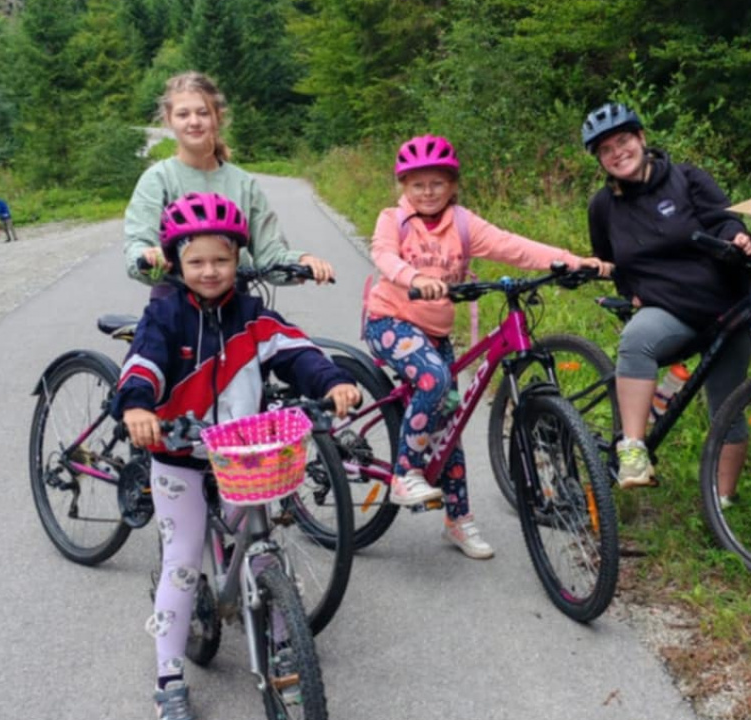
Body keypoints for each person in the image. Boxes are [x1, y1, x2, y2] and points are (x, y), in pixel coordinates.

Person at [111, 192, 361, 720]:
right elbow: (144, 363)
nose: (209, 271)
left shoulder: (251, 314)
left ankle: (286, 648)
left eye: (222, 260)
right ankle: (169, 680)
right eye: (196, 260)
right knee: (181, 564)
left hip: (243, 457)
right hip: (178, 454)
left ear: (238, 261)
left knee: (263, 549)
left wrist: (333, 381)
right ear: (176, 261)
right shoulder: (164, 313)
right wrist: (137, 406)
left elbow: (296, 351)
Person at [363, 134, 610, 559]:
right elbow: (383, 255)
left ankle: (457, 522)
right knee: (435, 378)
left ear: (452, 185)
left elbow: (512, 246)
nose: (427, 192)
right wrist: (414, 278)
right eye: (417, 184)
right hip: (391, 320)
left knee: (450, 425)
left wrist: (572, 261)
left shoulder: (462, 223)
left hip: (435, 334)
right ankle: (405, 472)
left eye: (437, 183)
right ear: (403, 187)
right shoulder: (394, 218)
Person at [581, 102, 751, 506]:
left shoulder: (687, 178)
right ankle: (633, 450)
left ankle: (722, 504)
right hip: (670, 310)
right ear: (600, 160)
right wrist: (630, 292)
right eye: (606, 149)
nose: (617, 152)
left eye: (623, 140)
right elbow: (610, 259)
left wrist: (739, 238)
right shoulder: (602, 206)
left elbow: (725, 220)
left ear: (642, 139)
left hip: (725, 305)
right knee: (637, 338)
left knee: (727, 404)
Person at [124, 71, 335, 295]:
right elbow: (138, 244)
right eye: (183, 114)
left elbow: (270, 255)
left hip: (235, 303)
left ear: (218, 117)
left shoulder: (244, 184)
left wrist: (302, 262)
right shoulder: (157, 179)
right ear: (169, 120)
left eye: (203, 113)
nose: (194, 121)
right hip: (174, 304)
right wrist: (147, 257)